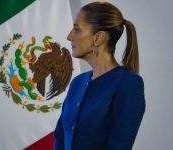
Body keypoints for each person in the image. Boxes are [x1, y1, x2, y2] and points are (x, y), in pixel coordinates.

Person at [54, 1, 145, 150]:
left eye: (77, 30)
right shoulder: (77, 82)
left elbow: (119, 146)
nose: (69, 36)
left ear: (98, 38)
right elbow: (60, 136)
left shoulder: (128, 83)